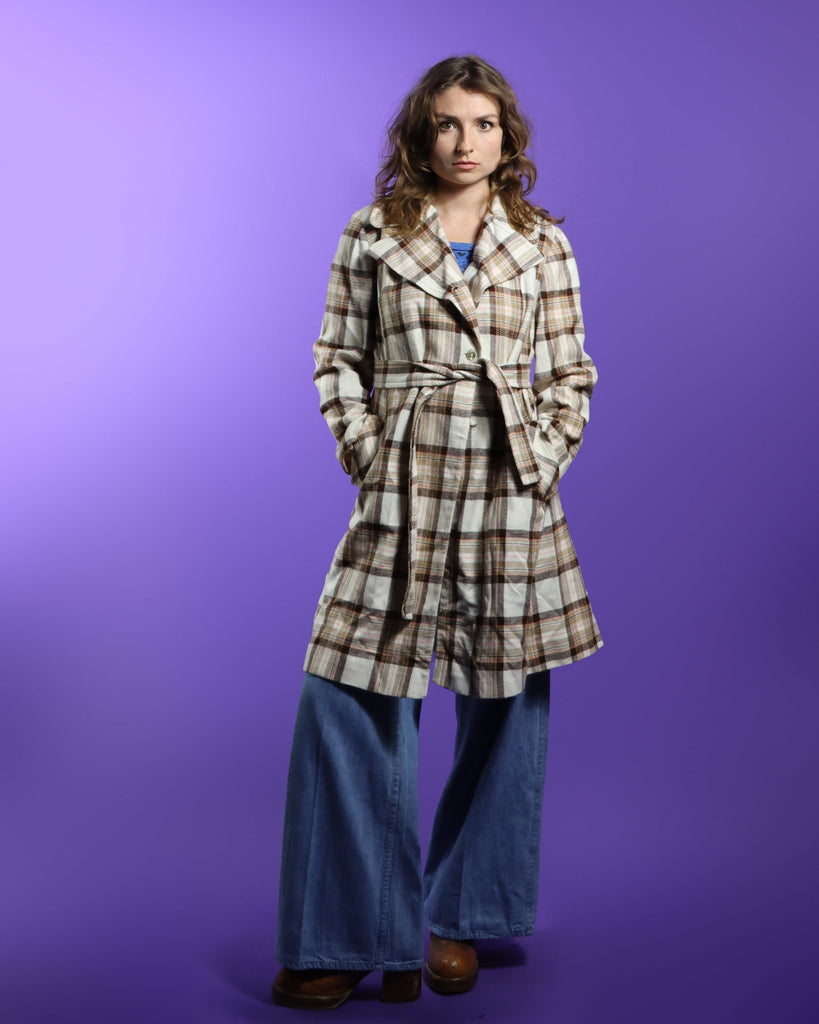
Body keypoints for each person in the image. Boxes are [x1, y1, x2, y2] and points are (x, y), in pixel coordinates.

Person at [272, 54, 602, 1010]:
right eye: (449, 123)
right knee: (348, 690)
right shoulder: (372, 232)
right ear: (420, 132)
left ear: (507, 138)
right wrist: (368, 451)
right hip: (404, 486)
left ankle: (462, 915)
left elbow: (570, 374)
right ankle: (352, 932)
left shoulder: (541, 242)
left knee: (504, 702)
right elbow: (337, 356)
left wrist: (539, 459)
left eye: (485, 124)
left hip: (507, 488)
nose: (466, 142)